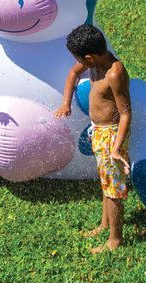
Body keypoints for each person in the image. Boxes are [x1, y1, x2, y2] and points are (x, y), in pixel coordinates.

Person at [54, 24, 131, 253]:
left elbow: (126, 113)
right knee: (105, 182)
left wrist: (116, 147)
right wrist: (66, 103)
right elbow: (72, 74)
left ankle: (115, 241)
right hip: (98, 130)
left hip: (111, 135)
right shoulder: (94, 61)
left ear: (89, 57)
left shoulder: (115, 74)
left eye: (80, 59)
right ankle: (105, 223)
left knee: (113, 189)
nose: (79, 64)